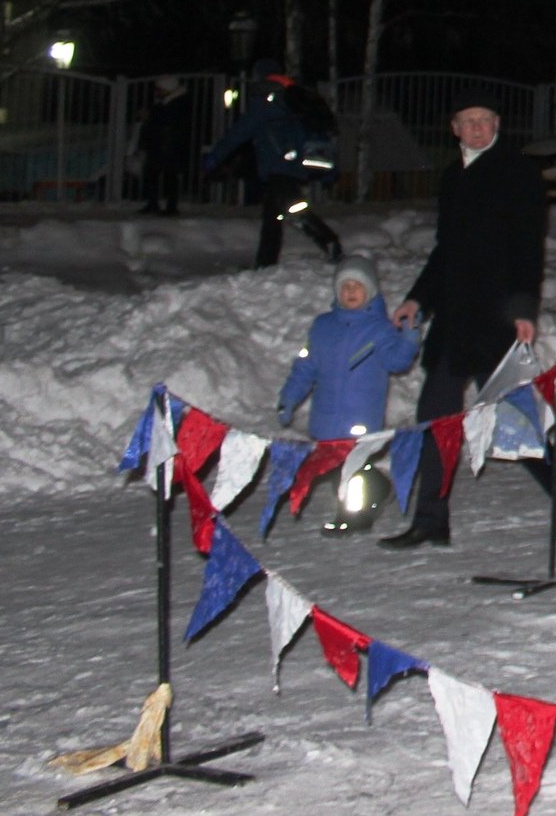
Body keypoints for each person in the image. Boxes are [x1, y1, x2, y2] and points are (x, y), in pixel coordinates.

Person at [383, 94, 556, 549]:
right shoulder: (453, 176)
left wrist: (522, 310)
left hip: (495, 319)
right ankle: (431, 521)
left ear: (497, 125)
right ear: (455, 128)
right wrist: (418, 299)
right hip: (453, 321)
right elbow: (446, 251)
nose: (477, 128)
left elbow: (528, 248)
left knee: (512, 422)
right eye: (468, 121)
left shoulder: (516, 173)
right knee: (435, 418)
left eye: (485, 120)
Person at [278, 255, 423, 532]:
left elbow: (397, 362)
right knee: (334, 467)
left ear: (370, 291)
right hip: (326, 416)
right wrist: (289, 398)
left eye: (357, 286)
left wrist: (409, 338)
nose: (350, 292)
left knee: (351, 469)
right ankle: (378, 487)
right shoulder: (322, 327)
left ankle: (354, 517)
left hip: (361, 415)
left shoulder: (379, 329)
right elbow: (305, 367)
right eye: (345, 286)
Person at [202, 61, 342, 268]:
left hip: (279, 166)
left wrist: (215, 157)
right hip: (292, 164)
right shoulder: (291, 97)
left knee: (292, 208)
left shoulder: (265, 102)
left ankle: (328, 241)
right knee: (272, 215)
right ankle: (266, 262)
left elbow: (238, 134)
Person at [136, 78, 194, 216]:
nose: (157, 91)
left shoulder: (178, 102)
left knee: (170, 176)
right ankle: (153, 203)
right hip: (160, 144)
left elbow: (169, 121)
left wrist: (150, 116)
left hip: (170, 144)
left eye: (159, 89)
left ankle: (171, 207)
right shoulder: (164, 101)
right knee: (152, 174)